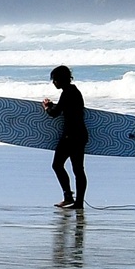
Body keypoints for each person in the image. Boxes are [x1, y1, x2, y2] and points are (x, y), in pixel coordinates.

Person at [42, 65, 89, 208]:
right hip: (80, 135)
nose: (54, 83)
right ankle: (78, 202)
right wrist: (53, 106)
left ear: (61, 79)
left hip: (70, 136)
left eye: (55, 80)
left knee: (57, 165)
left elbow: (55, 113)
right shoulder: (74, 92)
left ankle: (69, 197)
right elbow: (66, 109)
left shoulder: (67, 92)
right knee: (78, 169)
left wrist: (47, 107)